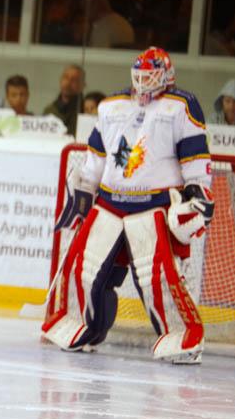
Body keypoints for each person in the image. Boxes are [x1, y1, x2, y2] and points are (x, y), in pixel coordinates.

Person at [42, 47, 214, 365]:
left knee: (157, 278)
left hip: (154, 204)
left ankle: (182, 338)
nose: (143, 82)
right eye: (140, 75)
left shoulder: (181, 105)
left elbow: (195, 156)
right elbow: (96, 156)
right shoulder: (112, 105)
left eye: (151, 75)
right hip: (109, 202)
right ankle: (84, 327)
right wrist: (84, 189)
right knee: (85, 269)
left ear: (166, 75)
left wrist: (197, 192)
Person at [43, 64, 85, 135]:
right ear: (60, 80)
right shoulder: (50, 111)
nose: (68, 83)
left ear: (82, 85)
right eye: (66, 77)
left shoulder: (85, 110)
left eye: (74, 80)